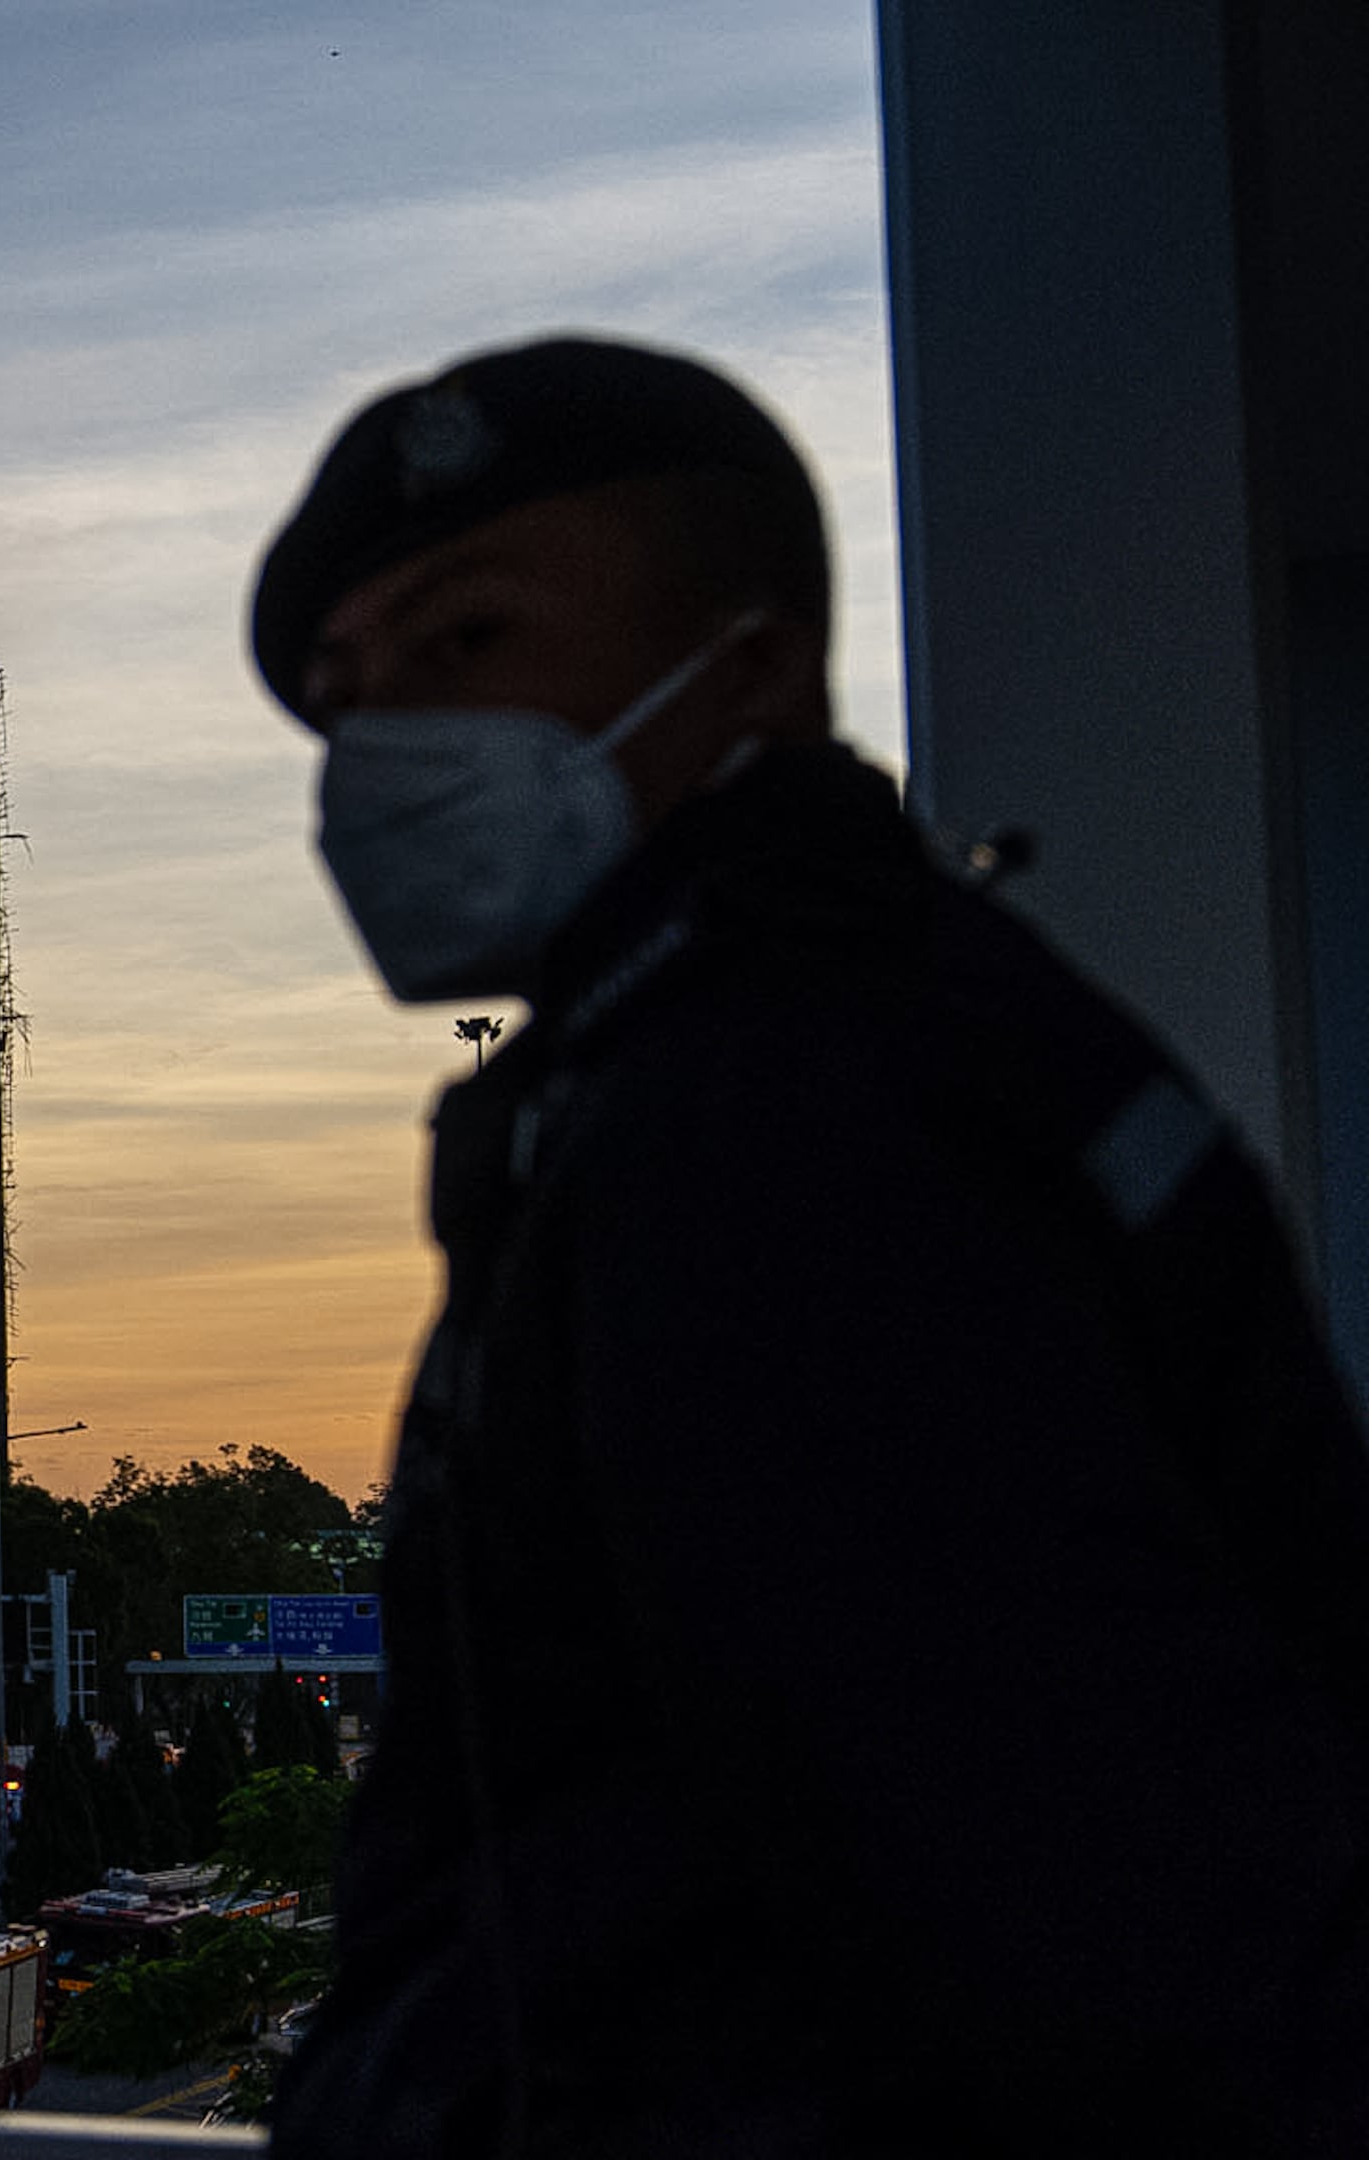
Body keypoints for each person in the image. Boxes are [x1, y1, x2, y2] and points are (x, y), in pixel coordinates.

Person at [250, 337, 1369, 2154]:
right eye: (346, 695)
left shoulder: (790, 1108)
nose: (385, 750)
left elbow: (1057, 1888)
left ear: (748, 670)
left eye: (466, 645)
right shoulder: (799, 1043)